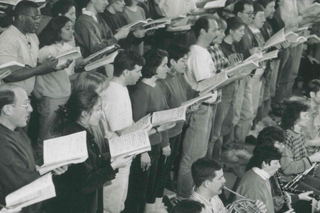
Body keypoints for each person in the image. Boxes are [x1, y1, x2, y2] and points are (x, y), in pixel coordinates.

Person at [46, 90, 133, 213]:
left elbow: (92, 162)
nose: (101, 114)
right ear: (84, 114)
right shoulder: (76, 139)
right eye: (98, 109)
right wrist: (114, 165)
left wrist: (114, 155)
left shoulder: (77, 130)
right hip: (76, 205)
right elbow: (86, 183)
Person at [0, 85, 67, 213]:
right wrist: (49, 174)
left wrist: (50, 167)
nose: (30, 109)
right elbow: (24, 189)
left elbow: (29, 165)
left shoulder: (17, 131)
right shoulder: (3, 145)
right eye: (25, 105)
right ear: (8, 109)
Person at [124, 49, 173, 213]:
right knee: (139, 189)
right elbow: (137, 126)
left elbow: (163, 115)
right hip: (145, 147)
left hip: (156, 145)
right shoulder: (141, 91)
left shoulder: (158, 86)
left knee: (150, 185)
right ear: (153, 67)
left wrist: (165, 142)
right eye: (164, 65)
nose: (168, 69)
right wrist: (142, 151)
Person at [177, 15, 219, 199]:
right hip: (200, 108)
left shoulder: (204, 51)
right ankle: (184, 197)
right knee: (192, 157)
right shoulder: (196, 53)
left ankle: (192, 194)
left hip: (207, 108)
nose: (218, 33)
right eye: (214, 29)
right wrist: (231, 76)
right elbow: (204, 85)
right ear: (203, 31)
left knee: (199, 155)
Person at [102, 50, 145, 213]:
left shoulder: (120, 88)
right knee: (112, 203)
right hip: (116, 154)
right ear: (126, 72)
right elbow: (123, 132)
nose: (140, 75)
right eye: (138, 71)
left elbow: (128, 121)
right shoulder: (115, 94)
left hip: (121, 153)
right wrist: (151, 130)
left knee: (119, 201)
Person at [0, 1, 62, 97]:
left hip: (26, 95)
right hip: (10, 98)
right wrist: (41, 68)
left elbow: (33, 68)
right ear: (21, 17)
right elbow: (8, 76)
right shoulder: (8, 39)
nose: (39, 21)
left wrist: (53, 67)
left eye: (40, 17)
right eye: (35, 18)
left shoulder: (32, 36)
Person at [35, 16, 75, 160]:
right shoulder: (46, 51)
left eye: (72, 28)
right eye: (67, 28)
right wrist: (39, 95)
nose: (72, 31)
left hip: (65, 95)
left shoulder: (68, 48)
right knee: (46, 137)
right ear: (57, 31)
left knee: (58, 135)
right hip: (50, 98)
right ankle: (42, 168)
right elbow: (35, 74)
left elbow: (67, 75)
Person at [190, 157, 267, 213]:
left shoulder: (213, 196)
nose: (224, 180)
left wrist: (254, 209)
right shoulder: (195, 209)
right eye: (220, 178)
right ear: (207, 183)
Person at [280, 101, 320, 195]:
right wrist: (311, 159)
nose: (308, 118)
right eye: (305, 116)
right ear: (295, 118)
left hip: (299, 176)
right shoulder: (286, 138)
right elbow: (287, 169)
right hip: (288, 182)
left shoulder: (299, 135)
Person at [236, 144, 282, 213]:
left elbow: (267, 205)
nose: (279, 166)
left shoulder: (261, 176)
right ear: (264, 164)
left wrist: (281, 201)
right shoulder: (254, 187)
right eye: (276, 163)